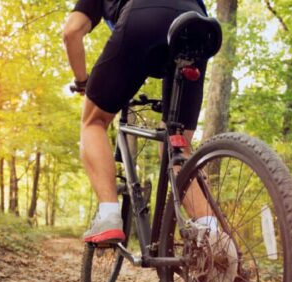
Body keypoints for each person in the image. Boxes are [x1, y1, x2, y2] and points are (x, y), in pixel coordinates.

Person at [63, 0, 216, 243]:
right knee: (177, 145)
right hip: (197, 26)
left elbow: (72, 31)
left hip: (142, 17)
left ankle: (109, 215)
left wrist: (82, 82)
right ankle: (214, 236)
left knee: (94, 121)